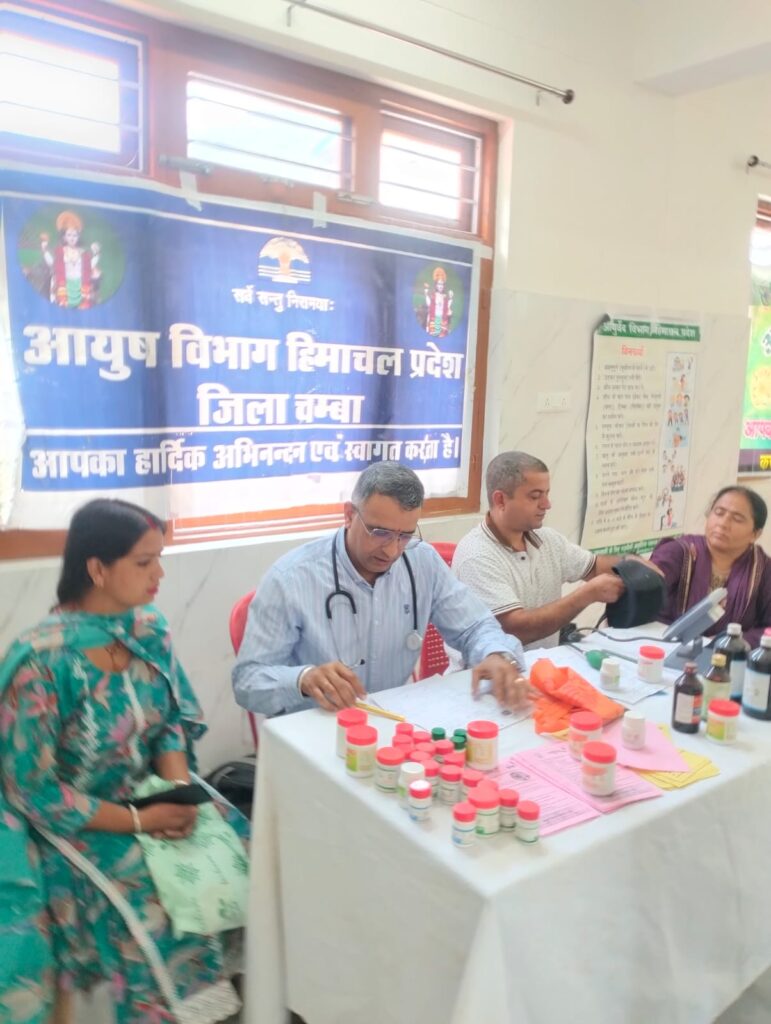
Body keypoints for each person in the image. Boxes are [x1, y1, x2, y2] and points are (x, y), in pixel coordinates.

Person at [0, 499, 248, 1024]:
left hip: (150, 793)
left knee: (242, 845)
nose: (160, 574)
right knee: (151, 897)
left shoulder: (148, 630)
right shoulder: (42, 663)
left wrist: (179, 794)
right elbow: (33, 791)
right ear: (97, 568)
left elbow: (170, 721)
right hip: (72, 820)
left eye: (160, 558)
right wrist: (141, 820)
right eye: (144, 562)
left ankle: (226, 999)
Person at [232, 462, 528, 716]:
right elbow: (247, 681)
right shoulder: (291, 579)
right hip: (317, 726)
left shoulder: (421, 561)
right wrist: (303, 679)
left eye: (405, 535)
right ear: (349, 515)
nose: (392, 550)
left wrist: (495, 653)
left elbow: (475, 627)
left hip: (392, 720)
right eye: (380, 533)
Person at [452, 451, 626, 649]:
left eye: (546, 494)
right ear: (500, 500)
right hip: (491, 667)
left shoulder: (547, 539)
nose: (546, 504)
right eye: (535, 496)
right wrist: (587, 595)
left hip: (543, 663)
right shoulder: (477, 555)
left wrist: (634, 566)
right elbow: (515, 630)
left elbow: (594, 567)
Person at [649, 485, 771, 647]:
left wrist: (733, 641)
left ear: (755, 534)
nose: (723, 523)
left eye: (737, 519)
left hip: (729, 655)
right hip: (663, 647)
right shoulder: (678, 552)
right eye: (719, 513)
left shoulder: (763, 569)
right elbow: (644, 590)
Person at [40, 210, 101, 309]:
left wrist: (97, 254)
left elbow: (89, 266)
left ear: (78, 237)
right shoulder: (60, 252)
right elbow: (53, 264)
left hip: (81, 288)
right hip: (64, 287)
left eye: (74, 235)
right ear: (64, 237)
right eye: (69, 235)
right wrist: (44, 250)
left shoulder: (84, 253)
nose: (72, 238)